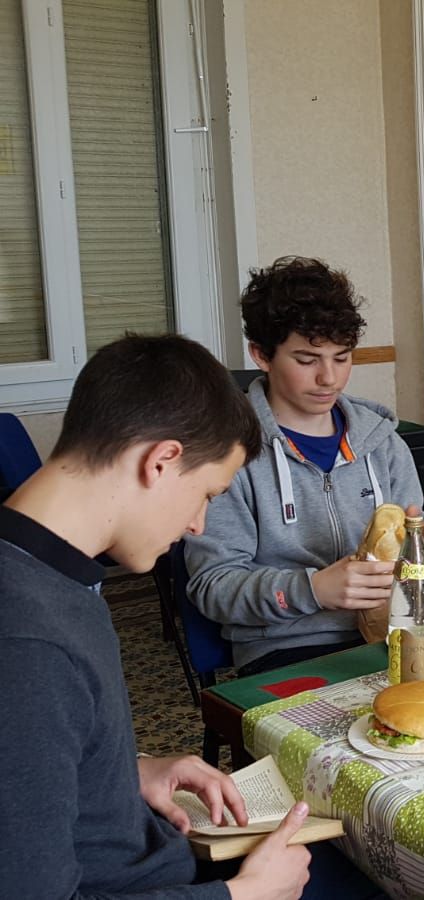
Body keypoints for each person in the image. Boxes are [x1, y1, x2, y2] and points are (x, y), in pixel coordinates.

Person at [0, 334, 311, 898]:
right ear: (161, 461)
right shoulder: (28, 645)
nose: (197, 524)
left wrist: (123, 773)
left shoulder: (46, 569)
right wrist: (243, 896)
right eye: (208, 494)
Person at [186, 257, 424, 676]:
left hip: (390, 631)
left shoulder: (382, 441)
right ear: (261, 355)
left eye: (342, 358)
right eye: (307, 360)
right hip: (285, 647)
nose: (329, 378)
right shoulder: (228, 453)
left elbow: (410, 540)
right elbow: (212, 587)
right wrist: (312, 589)